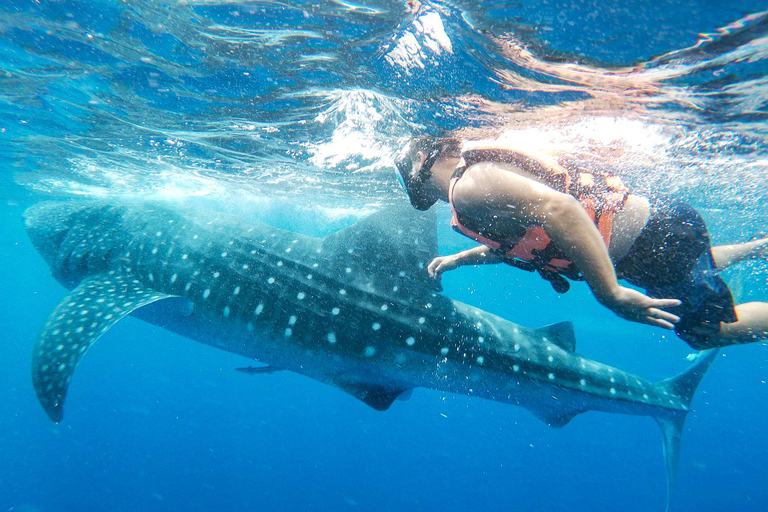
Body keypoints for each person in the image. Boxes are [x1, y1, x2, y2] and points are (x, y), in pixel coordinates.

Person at [395, 136, 768, 350]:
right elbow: (521, 244)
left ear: (418, 175)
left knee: (705, 334)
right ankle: (760, 246)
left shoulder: (468, 188)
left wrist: (610, 294)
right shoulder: (473, 189)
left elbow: (562, 209)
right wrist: (460, 259)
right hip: (654, 237)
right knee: (690, 266)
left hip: (656, 244)